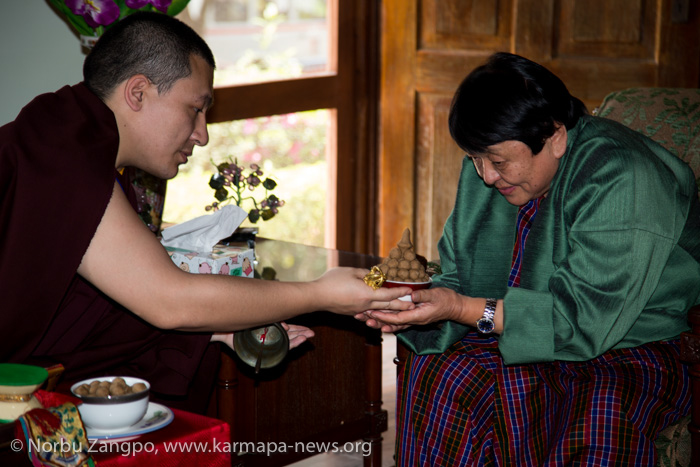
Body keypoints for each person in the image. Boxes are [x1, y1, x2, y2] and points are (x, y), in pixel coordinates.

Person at [0, 11, 412, 411]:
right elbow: (167, 299)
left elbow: (114, 300)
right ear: (138, 92)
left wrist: (214, 327)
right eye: (195, 109)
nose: (202, 134)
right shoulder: (63, 156)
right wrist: (319, 293)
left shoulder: (72, 140)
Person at [361, 53, 700, 465]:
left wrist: (459, 307)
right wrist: (415, 301)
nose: (485, 176)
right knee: (446, 374)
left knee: (596, 419)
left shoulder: (624, 177)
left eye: (498, 161)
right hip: (518, 326)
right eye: (475, 158)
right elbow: (461, 271)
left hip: (635, 344)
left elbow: (580, 322)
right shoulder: (494, 169)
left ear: (555, 137)